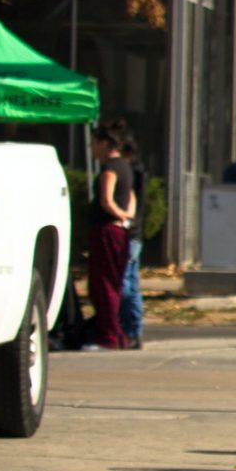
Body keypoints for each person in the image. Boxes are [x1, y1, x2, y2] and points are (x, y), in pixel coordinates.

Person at [86, 127, 137, 350]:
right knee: (115, 283)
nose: (91, 148)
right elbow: (131, 197)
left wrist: (118, 214)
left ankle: (108, 337)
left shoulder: (109, 169)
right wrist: (128, 216)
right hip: (121, 232)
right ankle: (118, 334)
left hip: (107, 230)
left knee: (103, 285)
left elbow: (106, 200)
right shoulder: (125, 167)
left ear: (105, 144)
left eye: (94, 143)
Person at [107, 121, 146, 349]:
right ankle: (134, 330)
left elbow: (131, 201)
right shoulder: (135, 172)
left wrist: (125, 218)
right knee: (131, 283)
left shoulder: (132, 173)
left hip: (130, 232)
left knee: (125, 284)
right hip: (134, 232)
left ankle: (130, 329)